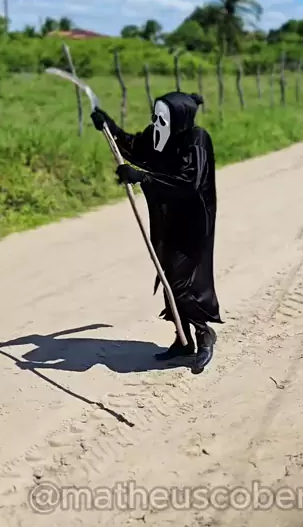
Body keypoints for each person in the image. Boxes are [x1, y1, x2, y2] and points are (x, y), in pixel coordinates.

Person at [91, 91, 222, 374]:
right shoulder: (157, 136)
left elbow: (189, 183)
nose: (156, 123)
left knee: (182, 282)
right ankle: (183, 340)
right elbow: (134, 147)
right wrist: (108, 126)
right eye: (155, 117)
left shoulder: (196, 139)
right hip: (165, 220)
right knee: (168, 278)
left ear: (179, 119)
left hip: (192, 224)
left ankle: (204, 334)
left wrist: (144, 177)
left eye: (162, 119)